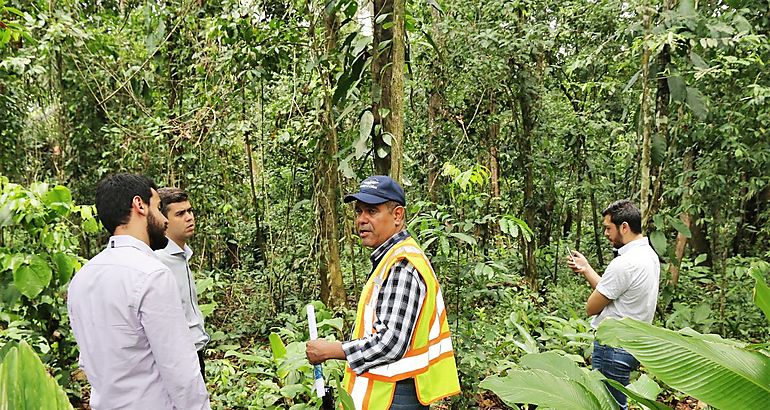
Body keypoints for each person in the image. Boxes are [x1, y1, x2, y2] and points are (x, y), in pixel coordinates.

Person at [306, 175, 460, 410]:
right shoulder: (389, 260)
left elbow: (390, 343)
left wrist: (331, 350)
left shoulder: (402, 265)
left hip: (397, 396)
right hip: (389, 392)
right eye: (358, 212)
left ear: (397, 215)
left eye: (371, 211)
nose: (361, 220)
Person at [67, 174, 210, 410]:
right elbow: (181, 372)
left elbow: (88, 360)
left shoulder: (82, 278)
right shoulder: (152, 275)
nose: (164, 219)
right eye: (158, 208)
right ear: (139, 205)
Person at [568, 199, 660, 409]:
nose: (606, 234)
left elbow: (591, 307)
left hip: (613, 346)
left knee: (608, 406)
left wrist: (592, 294)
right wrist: (586, 269)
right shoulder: (649, 255)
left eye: (608, 228)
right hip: (632, 343)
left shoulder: (624, 263)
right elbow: (614, 293)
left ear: (624, 227)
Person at [155, 187, 210, 380]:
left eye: (190, 211)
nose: (189, 217)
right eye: (180, 213)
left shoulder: (182, 254)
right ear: (163, 220)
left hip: (195, 352)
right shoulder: (158, 260)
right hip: (178, 359)